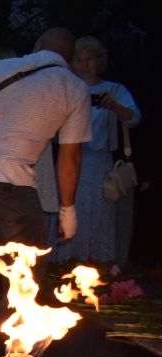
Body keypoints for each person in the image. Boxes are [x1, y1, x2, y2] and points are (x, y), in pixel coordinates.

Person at [0, 27, 91, 333]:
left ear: (38, 44)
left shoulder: (0, 68)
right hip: (14, 182)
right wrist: (67, 211)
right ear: (68, 56)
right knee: (26, 267)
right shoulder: (74, 87)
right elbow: (70, 156)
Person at [52, 36, 141, 265]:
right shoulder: (67, 89)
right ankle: (66, 261)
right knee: (69, 209)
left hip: (99, 161)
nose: (84, 65)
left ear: (99, 61)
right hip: (69, 160)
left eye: (89, 59)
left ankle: (94, 263)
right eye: (79, 60)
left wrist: (114, 106)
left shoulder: (114, 89)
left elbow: (134, 118)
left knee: (99, 212)